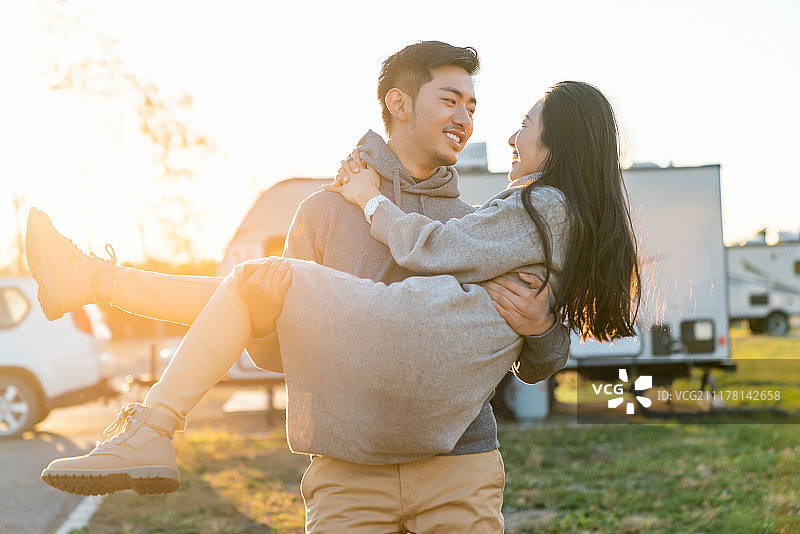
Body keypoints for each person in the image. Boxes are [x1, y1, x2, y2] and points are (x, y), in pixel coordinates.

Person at [29, 41, 571, 532]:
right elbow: (276, 351)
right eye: (451, 100)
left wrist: (543, 327)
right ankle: (96, 288)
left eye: (472, 107)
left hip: (459, 465)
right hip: (349, 471)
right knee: (248, 287)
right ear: (398, 103)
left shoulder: (475, 225)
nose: (465, 118)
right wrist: (264, 321)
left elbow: (530, 361)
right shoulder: (323, 214)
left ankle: (96, 286)